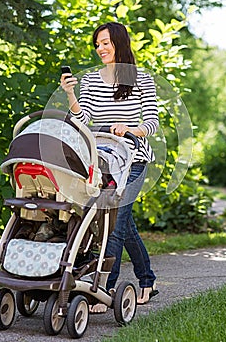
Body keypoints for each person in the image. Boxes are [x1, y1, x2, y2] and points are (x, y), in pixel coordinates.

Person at [60, 22, 159, 310]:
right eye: (97, 44)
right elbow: (83, 119)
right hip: (102, 161)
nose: (101, 49)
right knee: (124, 225)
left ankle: (104, 289)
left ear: (120, 42)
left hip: (134, 160)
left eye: (106, 43)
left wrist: (129, 129)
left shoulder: (141, 78)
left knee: (113, 224)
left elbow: (151, 122)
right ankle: (147, 280)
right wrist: (70, 95)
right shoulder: (91, 79)